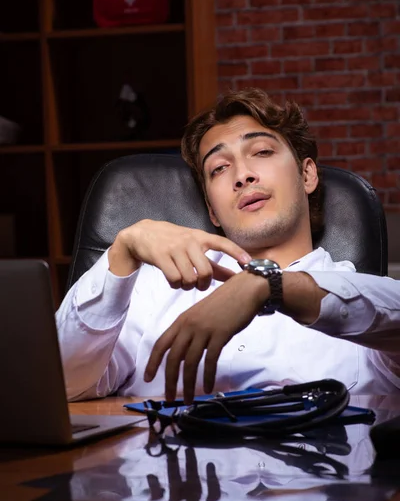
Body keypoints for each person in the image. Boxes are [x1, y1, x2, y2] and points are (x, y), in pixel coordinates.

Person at [56, 88, 400, 404]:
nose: (242, 175)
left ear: (307, 175)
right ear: (212, 210)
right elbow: (65, 386)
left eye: (262, 151)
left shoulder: (364, 301)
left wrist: (269, 286)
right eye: (219, 168)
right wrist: (122, 250)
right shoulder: (152, 288)